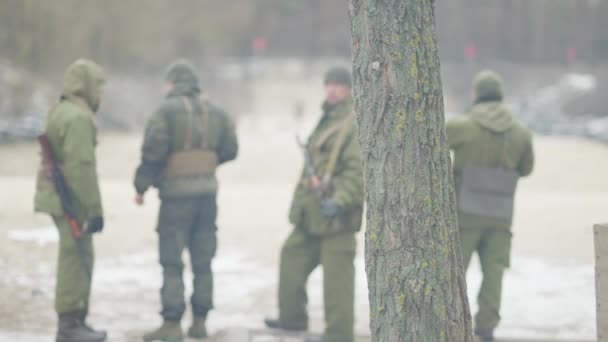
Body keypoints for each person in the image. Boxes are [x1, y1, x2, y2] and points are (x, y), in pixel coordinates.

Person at [134, 59, 238, 341]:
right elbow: (231, 149)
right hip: (207, 195)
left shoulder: (165, 112)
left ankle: (171, 325)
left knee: (171, 259)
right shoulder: (216, 112)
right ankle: (200, 322)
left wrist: (141, 185)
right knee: (203, 259)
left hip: (175, 197)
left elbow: (153, 152)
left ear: (172, 83)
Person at [264, 66, 364, 342]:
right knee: (291, 257)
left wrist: (340, 201)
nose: (332, 89)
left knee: (337, 286)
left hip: (337, 218)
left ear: (349, 89)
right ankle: (293, 320)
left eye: (338, 85)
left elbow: (357, 173)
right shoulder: (327, 119)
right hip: (312, 215)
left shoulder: (353, 124)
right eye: (328, 83)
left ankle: (338, 336)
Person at [447, 70, 535, 341]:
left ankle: (451, 324)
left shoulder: (462, 126)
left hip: (465, 214)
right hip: (500, 216)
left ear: (475, 94)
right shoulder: (520, 132)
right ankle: (486, 329)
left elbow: (432, 144)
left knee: (454, 272)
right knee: (494, 273)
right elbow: (526, 168)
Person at [34, 59, 107, 342]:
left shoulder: (61, 110)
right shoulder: (77, 117)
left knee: (75, 255)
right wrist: (94, 210)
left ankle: (75, 321)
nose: (100, 94)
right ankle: (70, 324)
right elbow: (82, 166)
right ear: (86, 85)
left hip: (58, 193)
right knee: (76, 257)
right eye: (98, 87)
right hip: (70, 198)